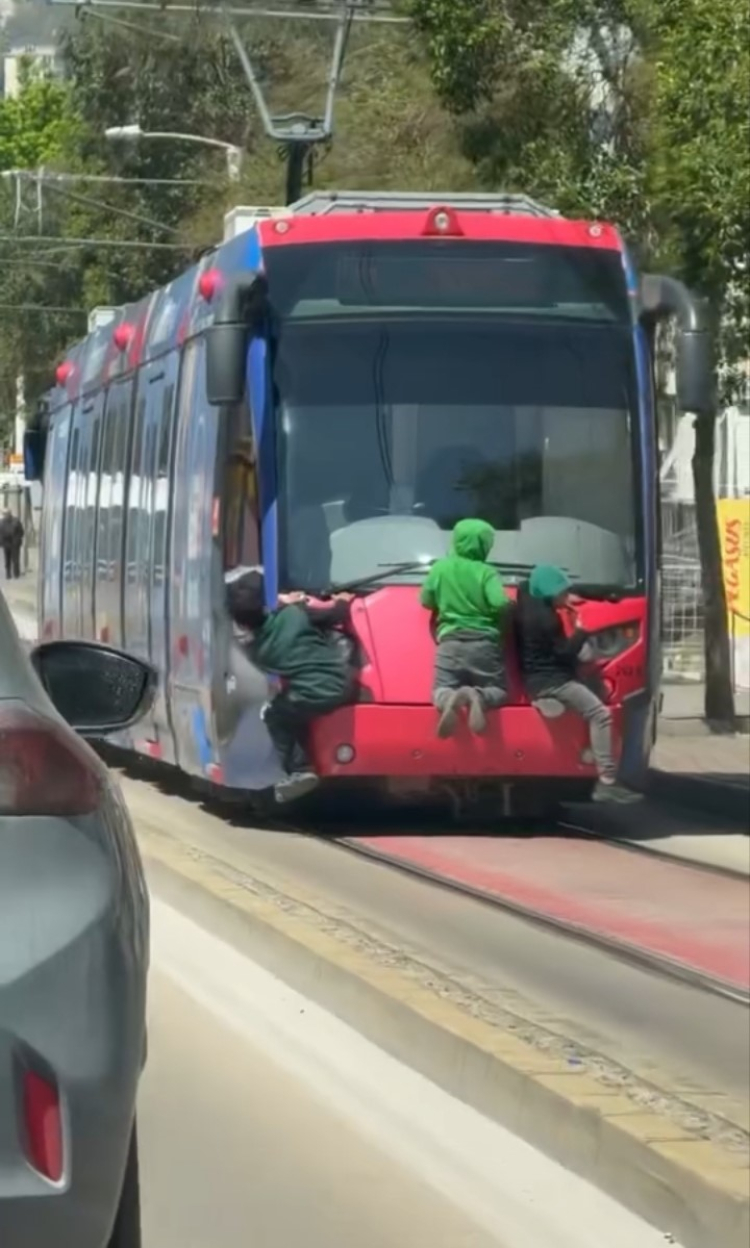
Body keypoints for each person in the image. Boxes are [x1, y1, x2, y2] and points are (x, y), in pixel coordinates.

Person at [225, 568, 356, 802]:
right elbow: (338, 614)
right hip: (344, 681)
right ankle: (300, 769)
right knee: (286, 708)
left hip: (311, 694)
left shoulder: (258, 652)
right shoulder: (296, 614)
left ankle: (299, 769)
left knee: (276, 715)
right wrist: (342, 601)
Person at [515, 564, 641, 804]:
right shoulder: (548, 620)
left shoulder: (527, 602)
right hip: (553, 681)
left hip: (535, 678)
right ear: (550, 594)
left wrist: (564, 598)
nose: (567, 596)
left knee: (591, 688)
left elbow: (528, 586)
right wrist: (582, 631)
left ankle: (547, 702)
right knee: (600, 714)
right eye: (562, 592)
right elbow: (565, 653)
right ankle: (607, 781)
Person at [420, 518, 509, 737]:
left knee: (440, 689)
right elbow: (500, 603)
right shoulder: (486, 572)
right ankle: (478, 696)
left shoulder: (439, 568)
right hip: (483, 643)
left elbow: (426, 601)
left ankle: (448, 699)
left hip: (449, 642)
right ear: (484, 544)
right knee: (499, 690)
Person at [0, 509, 24, 580]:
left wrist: (17, 539)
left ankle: (16, 573)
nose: (5, 515)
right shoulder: (2, 522)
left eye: (6, 514)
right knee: (7, 559)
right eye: (4, 514)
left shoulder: (16, 521)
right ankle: (8, 574)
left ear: (10, 514)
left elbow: (21, 532)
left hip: (15, 543)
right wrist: (1, 542)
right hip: (6, 543)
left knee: (15, 559)